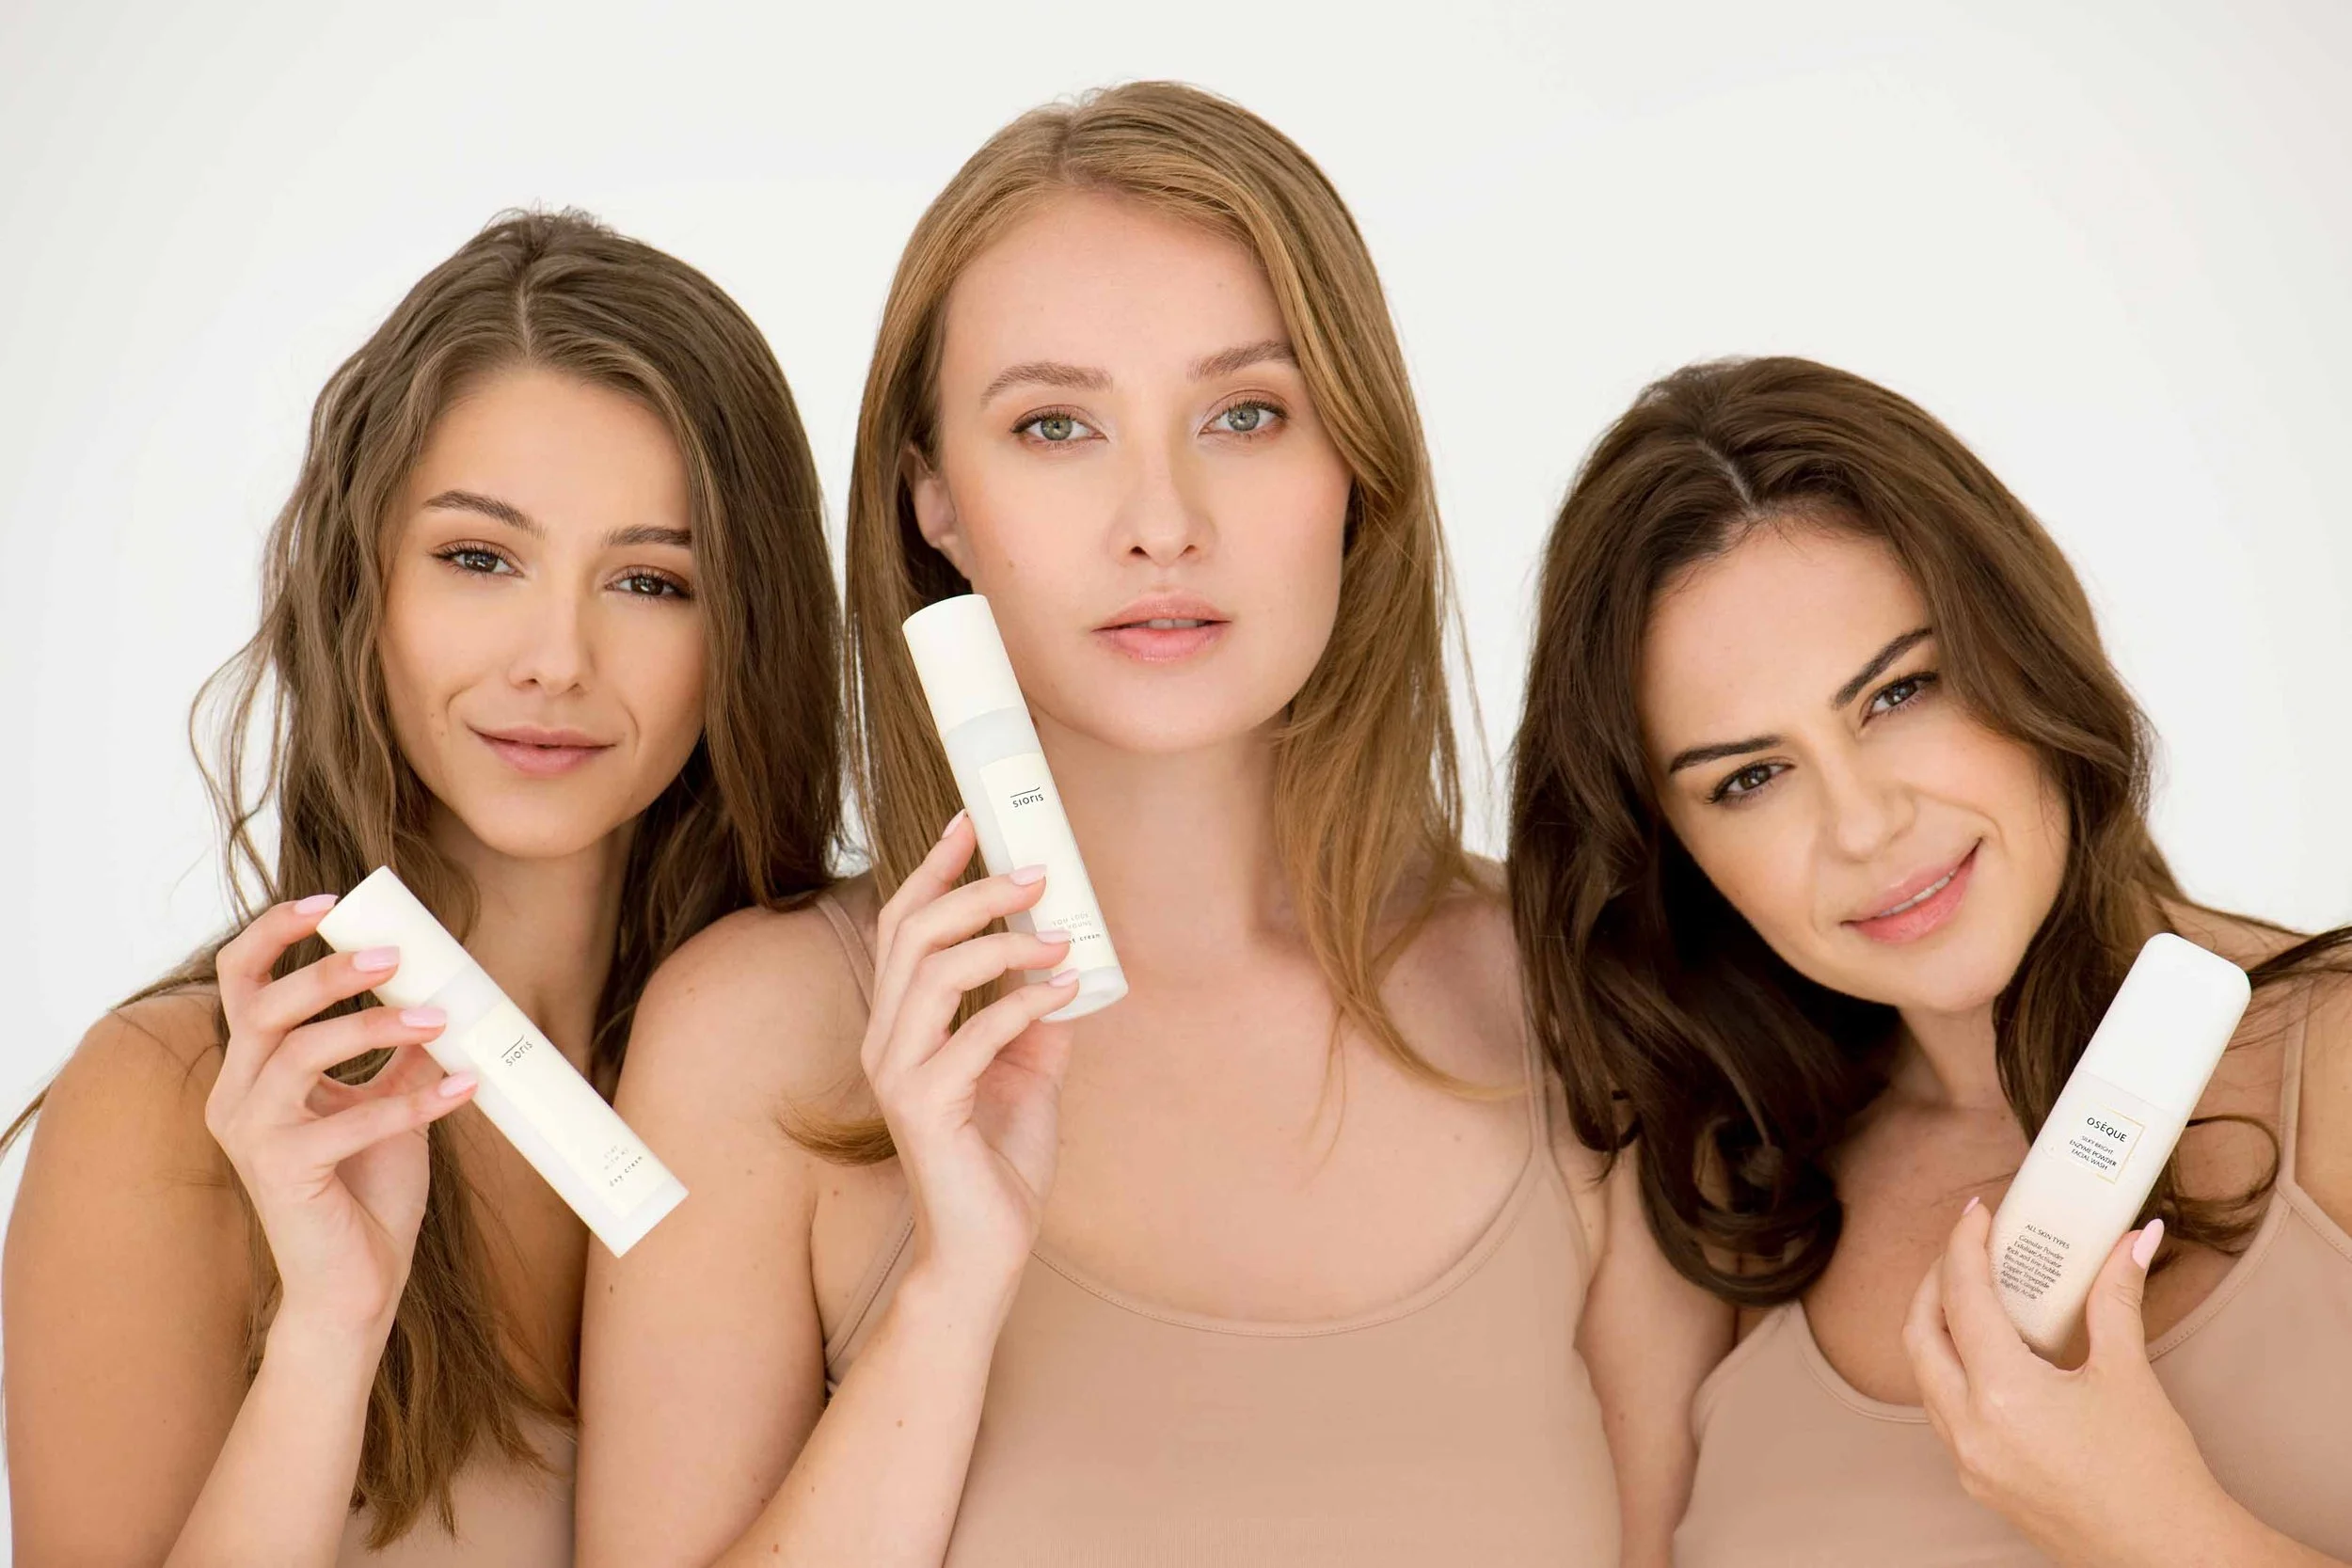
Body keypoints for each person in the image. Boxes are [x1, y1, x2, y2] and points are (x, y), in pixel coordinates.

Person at [580, 82, 1714, 1568]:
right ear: (934, 499)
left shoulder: (1582, 999)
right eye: (1055, 425)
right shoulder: (755, 1037)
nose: (1162, 519)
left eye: (1245, 414)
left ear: (1356, 467)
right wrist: (949, 1295)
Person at [4, 210, 842, 1564]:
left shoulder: (827, 1076)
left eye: (649, 579)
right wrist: (330, 1334)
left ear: (746, 628)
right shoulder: (172, 1108)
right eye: (479, 558)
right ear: (363, 582)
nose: (555, 658)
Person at [1509, 354, 2352, 1565]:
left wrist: (2155, 1527)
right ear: (1677, 855)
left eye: (1899, 694)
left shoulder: (2332, 1060)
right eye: (1750, 777)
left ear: (2025, 649)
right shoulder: (1731, 1207)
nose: (1862, 825)